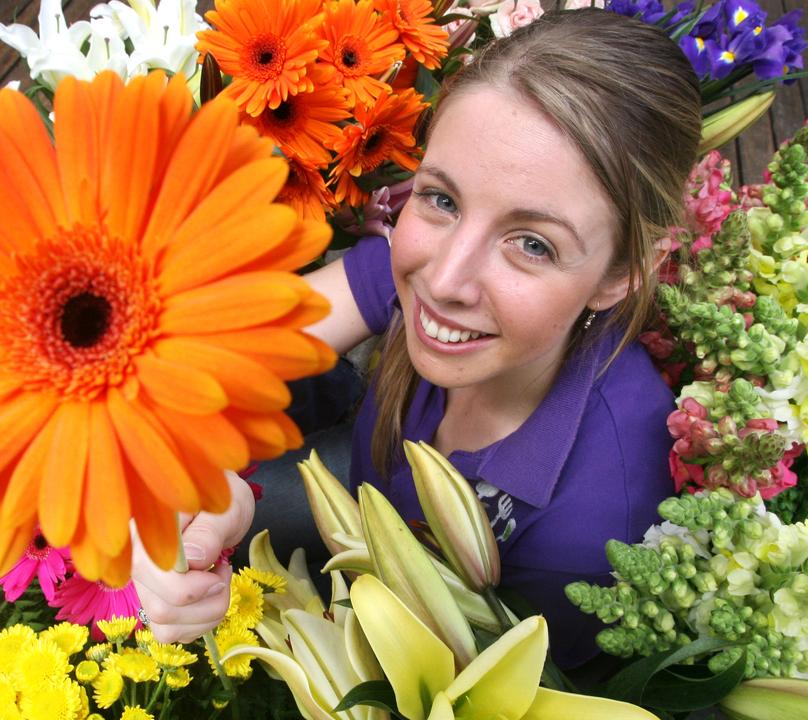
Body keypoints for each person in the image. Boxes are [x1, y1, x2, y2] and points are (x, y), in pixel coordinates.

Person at [130, 8, 702, 669]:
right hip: (366, 517)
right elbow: (232, 354)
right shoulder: (429, 273)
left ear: (620, 276)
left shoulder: (593, 533)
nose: (443, 278)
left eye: (532, 244)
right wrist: (200, 480)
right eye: (443, 199)